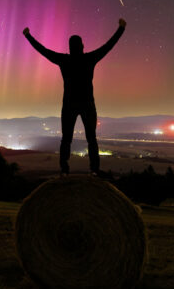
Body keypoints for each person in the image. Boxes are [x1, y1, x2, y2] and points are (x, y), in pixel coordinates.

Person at [23, 19, 126, 176]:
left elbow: (43, 51)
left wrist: (28, 36)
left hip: (69, 105)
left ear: (70, 48)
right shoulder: (89, 58)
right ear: (82, 46)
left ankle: (64, 170)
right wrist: (121, 28)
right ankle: (94, 170)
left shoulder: (64, 60)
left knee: (66, 139)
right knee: (91, 138)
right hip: (87, 104)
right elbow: (108, 46)